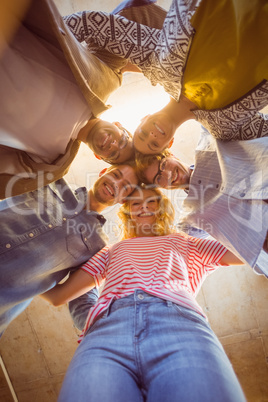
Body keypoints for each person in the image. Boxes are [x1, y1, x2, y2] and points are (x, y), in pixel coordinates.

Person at [41, 186, 246, 402]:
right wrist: (18, 280)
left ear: (162, 207)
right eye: (135, 203)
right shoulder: (113, 250)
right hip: (109, 330)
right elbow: (59, 296)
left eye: (151, 201)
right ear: (127, 211)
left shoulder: (184, 241)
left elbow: (244, 253)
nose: (144, 207)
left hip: (176, 324)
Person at [0, 0, 162, 198]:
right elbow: (133, 13)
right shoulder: (105, 77)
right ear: (119, 125)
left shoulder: (52, 161)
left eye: (113, 155)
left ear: (98, 156)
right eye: (122, 141)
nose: (113, 145)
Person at [70, 0, 268, 153]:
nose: (153, 134)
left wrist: (48, 46)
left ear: (144, 118)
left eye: (143, 134)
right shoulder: (224, 129)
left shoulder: (158, 66)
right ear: (169, 144)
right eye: (154, 143)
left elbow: (90, 23)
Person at [0, 164, 138, 336]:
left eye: (125, 187)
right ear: (103, 172)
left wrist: (108, 328)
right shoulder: (51, 180)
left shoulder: (99, 247)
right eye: (116, 175)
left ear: (123, 200)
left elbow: (81, 303)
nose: (116, 184)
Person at [135, 127, 268, 276]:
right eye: (159, 178)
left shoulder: (209, 141)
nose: (167, 174)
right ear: (161, 186)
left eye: (163, 164)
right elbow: (178, 250)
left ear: (171, 155)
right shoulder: (189, 219)